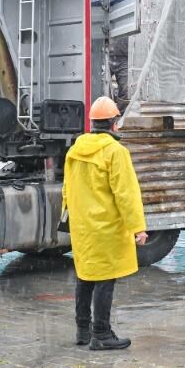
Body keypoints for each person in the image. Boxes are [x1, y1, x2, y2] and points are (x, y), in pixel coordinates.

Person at [62, 96, 149, 351]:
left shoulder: (75, 150)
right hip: (106, 226)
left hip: (83, 226)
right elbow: (126, 193)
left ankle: (82, 330)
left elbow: (67, 188)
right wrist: (138, 227)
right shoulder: (115, 152)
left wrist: (67, 217)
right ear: (113, 124)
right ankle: (101, 333)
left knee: (85, 275)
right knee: (105, 278)